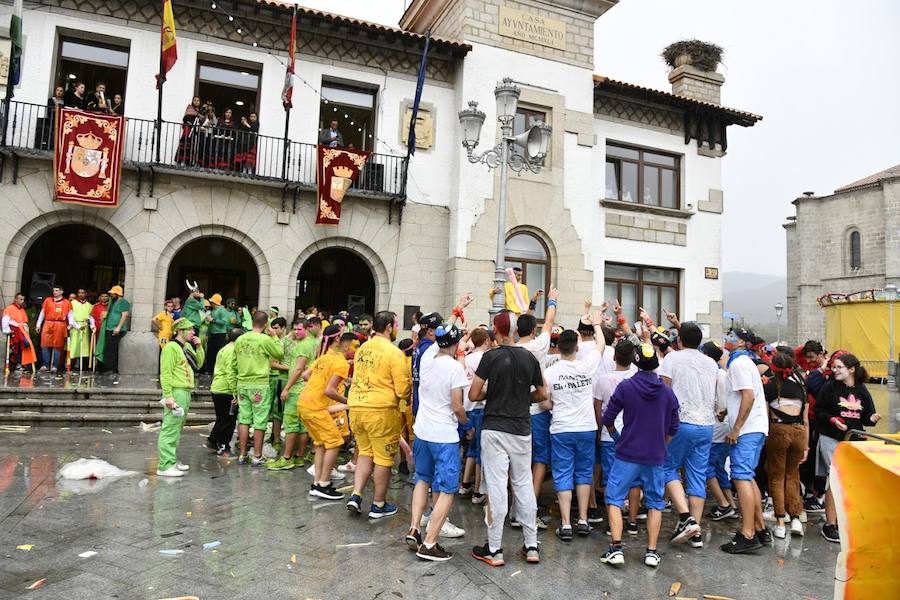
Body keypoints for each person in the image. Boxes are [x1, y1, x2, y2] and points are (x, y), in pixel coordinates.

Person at [469, 310, 547, 567]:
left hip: (494, 428)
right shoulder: (529, 358)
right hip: (521, 429)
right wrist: (523, 398)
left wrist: (492, 395)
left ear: (497, 329)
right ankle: (532, 545)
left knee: (496, 485)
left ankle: (494, 549)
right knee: (523, 484)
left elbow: (473, 394)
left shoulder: (490, 357)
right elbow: (542, 394)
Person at [601, 343, 680, 568]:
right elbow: (674, 426)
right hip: (654, 456)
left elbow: (608, 418)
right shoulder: (666, 391)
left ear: (636, 363)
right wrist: (661, 444)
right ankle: (651, 553)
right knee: (655, 503)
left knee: (614, 498)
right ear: (655, 364)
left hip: (627, 453)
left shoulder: (626, 387)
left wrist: (618, 439)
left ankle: (616, 548)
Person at [404, 324, 469, 562]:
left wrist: (456, 310)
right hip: (444, 436)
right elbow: (457, 406)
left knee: (422, 479)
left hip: (422, 431)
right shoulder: (454, 368)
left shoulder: (427, 358)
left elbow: (437, 337)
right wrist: (467, 424)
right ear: (456, 343)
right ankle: (430, 544)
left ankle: (414, 529)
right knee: (448, 490)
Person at [658, 321, 721, 548]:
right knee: (697, 475)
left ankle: (686, 518)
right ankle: (696, 532)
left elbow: (664, 390)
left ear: (679, 340)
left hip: (680, 421)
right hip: (706, 424)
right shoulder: (711, 363)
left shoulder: (672, 359)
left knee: (667, 467)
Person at [544, 313, 606, 541]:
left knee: (562, 473)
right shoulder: (586, 366)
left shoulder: (550, 372)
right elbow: (601, 344)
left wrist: (553, 406)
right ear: (577, 348)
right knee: (583, 472)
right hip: (586, 427)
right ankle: (582, 519)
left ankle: (566, 523)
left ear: (559, 348)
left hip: (561, 427)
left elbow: (543, 399)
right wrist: (597, 323)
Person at [345, 311, 411, 519]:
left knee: (365, 452)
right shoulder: (394, 352)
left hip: (356, 408)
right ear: (390, 327)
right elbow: (402, 390)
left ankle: (356, 495)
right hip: (381, 411)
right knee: (383, 458)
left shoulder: (362, 349)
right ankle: (378, 503)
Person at [814, 353, 880, 543]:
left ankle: (846, 519)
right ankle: (830, 524)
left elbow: (867, 416)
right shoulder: (829, 387)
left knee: (850, 481)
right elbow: (819, 411)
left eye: (839, 367)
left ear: (851, 369)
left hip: (854, 440)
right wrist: (833, 420)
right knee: (835, 480)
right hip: (831, 438)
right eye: (833, 367)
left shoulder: (861, 390)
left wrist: (873, 419)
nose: (834, 370)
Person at [512, 288, 560, 530]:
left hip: (514, 412)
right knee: (540, 459)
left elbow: (526, 320)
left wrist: (531, 303)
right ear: (533, 330)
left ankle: (514, 510)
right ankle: (527, 510)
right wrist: (551, 300)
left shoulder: (510, 348)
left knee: (518, 461)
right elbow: (549, 321)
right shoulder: (540, 346)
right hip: (537, 413)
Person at [720, 328, 770, 554]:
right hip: (755, 427)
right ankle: (759, 527)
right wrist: (728, 413)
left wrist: (737, 428)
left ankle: (747, 533)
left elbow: (748, 396)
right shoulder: (744, 362)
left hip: (747, 430)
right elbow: (743, 396)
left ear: (741, 342)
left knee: (740, 476)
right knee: (747, 477)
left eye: (731, 336)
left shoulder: (739, 363)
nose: (726, 338)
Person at [299, 326, 356, 500]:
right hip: (316, 407)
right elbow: (329, 391)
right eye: (356, 345)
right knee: (335, 441)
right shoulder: (341, 363)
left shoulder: (324, 357)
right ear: (343, 344)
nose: (357, 348)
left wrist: (328, 379)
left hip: (304, 402)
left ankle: (318, 483)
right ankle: (323, 483)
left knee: (323, 443)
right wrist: (349, 402)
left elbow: (306, 375)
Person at [763, 351, 808, 539]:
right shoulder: (801, 388)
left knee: (776, 476)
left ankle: (780, 521)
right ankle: (796, 518)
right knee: (792, 475)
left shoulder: (770, 387)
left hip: (778, 430)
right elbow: (805, 419)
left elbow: (766, 416)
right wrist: (806, 445)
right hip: (799, 432)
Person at [233, 311, 284, 465]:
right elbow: (279, 354)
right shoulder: (265, 339)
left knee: (244, 418)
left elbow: (234, 363)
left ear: (252, 321)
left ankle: (242, 455)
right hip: (260, 384)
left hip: (242, 383)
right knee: (260, 420)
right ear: (266, 323)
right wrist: (274, 337)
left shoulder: (240, 339)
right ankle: (257, 455)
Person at [156, 318, 205, 477]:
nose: (193, 332)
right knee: (170, 428)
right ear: (180, 331)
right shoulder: (171, 347)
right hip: (176, 391)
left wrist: (199, 347)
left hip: (185, 391)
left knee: (177, 428)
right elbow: (166, 373)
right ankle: (164, 465)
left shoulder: (188, 346)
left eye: (193, 329)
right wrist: (168, 395)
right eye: (190, 329)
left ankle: (171, 460)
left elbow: (199, 363)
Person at [269, 319, 317, 470]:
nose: (296, 332)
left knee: (291, 424)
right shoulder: (311, 343)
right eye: (294, 329)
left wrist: (287, 388)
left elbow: (298, 369)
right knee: (302, 425)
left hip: (297, 390)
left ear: (307, 329)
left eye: (299, 329)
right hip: (305, 389)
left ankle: (287, 458)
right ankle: (299, 457)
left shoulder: (304, 345)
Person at [699, 341, 739, 521]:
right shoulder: (717, 372)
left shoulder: (718, 375)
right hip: (720, 426)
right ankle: (730, 504)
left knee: (707, 467)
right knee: (718, 467)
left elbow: (722, 405)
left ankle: (723, 504)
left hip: (718, 427)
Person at [460, 327, 491, 503]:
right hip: (480, 406)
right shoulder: (484, 358)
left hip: (467, 407)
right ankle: (478, 491)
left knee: (471, 449)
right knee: (480, 451)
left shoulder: (466, 359)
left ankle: (465, 483)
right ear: (486, 340)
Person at [208, 327, 243, 455]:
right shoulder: (233, 351)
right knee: (229, 419)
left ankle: (213, 440)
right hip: (226, 389)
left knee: (222, 418)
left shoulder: (223, 349)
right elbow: (230, 372)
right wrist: (235, 393)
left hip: (217, 387)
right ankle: (223, 445)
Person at [35, 286, 74, 373]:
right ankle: (45, 364)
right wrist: (38, 324)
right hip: (48, 323)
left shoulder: (67, 302)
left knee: (57, 346)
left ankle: (55, 366)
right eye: (54, 291)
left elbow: (70, 314)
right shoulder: (48, 300)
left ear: (61, 292)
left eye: (57, 291)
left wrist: (71, 324)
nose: (55, 292)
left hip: (60, 324)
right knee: (44, 344)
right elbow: (42, 313)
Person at [2, 293, 37, 372]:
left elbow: (24, 321)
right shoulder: (10, 308)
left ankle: (22, 363)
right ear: (16, 299)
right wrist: (7, 329)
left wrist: (25, 326)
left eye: (23, 299)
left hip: (22, 330)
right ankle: (17, 363)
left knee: (26, 345)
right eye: (20, 299)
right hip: (15, 330)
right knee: (19, 344)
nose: (22, 301)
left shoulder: (22, 310)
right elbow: (5, 320)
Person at [103, 286, 131, 374]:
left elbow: (124, 315)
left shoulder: (123, 302)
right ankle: (108, 367)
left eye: (113, 293)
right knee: (109, 348)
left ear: (117, 294)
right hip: (110, 328)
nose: (111, 294)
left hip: (116, 329)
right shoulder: (113, 302)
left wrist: (118, 327)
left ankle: (112, 369)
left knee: (112, 349)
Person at [207, 294, 235, 374]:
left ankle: (218, 370)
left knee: (218, 352)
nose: (210, 303)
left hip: (220, 334)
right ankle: (210, 370)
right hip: (212, 334)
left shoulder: (222, 310)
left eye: (211, 302)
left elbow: (224, 322)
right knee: (211, 352)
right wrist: (208, 334)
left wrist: (213, 320)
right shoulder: (213, 310)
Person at [67, 288, 94, 371]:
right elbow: (70, 316)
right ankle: (71, 366)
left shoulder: (90, 305)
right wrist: (77, 326)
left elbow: (91, 317)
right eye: (79, 293)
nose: (81, 294)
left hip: (85, 327)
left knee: (84, 347)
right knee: (74, 346)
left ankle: (84, 367)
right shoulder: (72, 303)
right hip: (75, 328)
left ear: (86, 294)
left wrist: (92, 326)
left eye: (83, 293)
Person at [175, 96, 204, 166]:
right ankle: (180, 160)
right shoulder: (190, 108)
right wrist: (190, 122)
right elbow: (185, 118)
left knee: (193, 147)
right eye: (195, 100)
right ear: (192, 101)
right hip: (188, 130)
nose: (196, 102)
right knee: (185, 145)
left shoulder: (201, 111)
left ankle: (189, 162)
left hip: (196, 131)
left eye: (198, 100)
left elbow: (202, 121)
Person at [91, 293, 109, 368]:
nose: (104, 298)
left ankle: (105, 365)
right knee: (96, 347)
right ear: (99, 297)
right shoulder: (95, 306)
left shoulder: (110, 306)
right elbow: (91, 317)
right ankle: (96, 364)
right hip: (97, 330)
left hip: (106, 330)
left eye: (106, 296)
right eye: (102, 296)